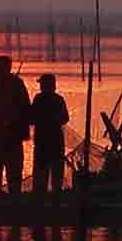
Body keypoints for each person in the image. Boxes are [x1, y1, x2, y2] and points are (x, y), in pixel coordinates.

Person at [0, 54, 32, 194]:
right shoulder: (16, 83)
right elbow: (26, 107)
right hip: (12, 133)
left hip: (0, 133)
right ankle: (12, 195)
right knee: (12, 168)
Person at [29, 72, 70, 204]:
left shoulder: (39, 99)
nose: (40, 86)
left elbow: (31, 118)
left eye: (42, 84)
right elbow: (65, 118)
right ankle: (55, 200)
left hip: (42, 142)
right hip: (56, 141)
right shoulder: (59, 99)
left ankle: (40, 201)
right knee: (56, 173)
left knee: (41, 173)